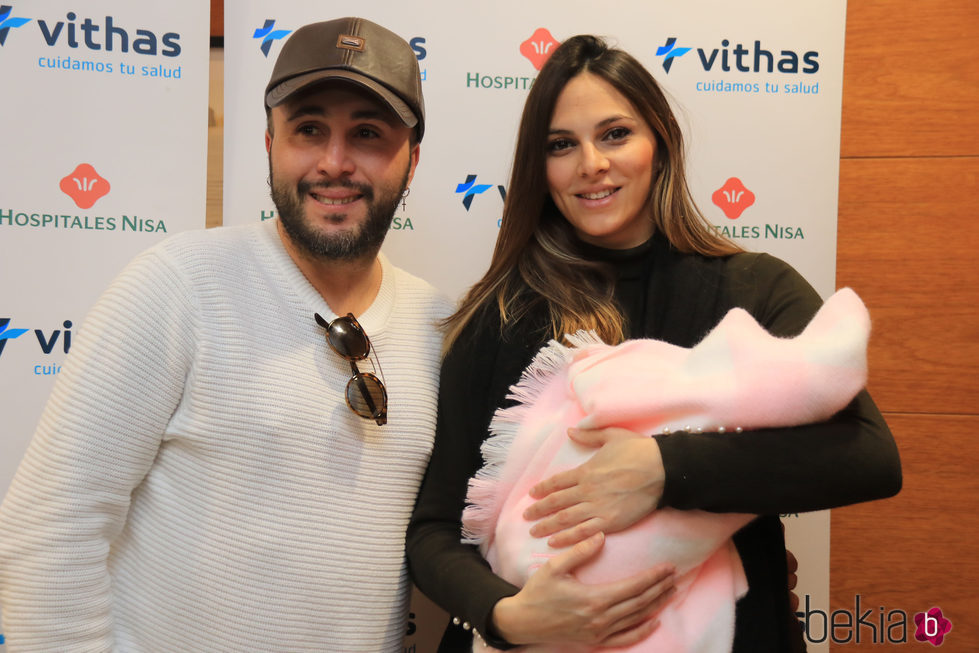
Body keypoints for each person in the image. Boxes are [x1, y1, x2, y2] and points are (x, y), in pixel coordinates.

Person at [406, 34, 901, 652]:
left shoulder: (754, 288)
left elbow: (870, 458)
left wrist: (664, 469)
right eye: (562, 145)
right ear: (541, 169)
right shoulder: (500, 314)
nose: (591, 163)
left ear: (660, 141)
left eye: (615, 134)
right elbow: (433, 531)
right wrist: (507, 615)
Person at [0, 17, 452, 651]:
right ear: (270, 143)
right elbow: (50, 532)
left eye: (369, 134)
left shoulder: (439, 325)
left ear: (413, 161)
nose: (334, 162)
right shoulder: (177, 285)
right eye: (309, 129)